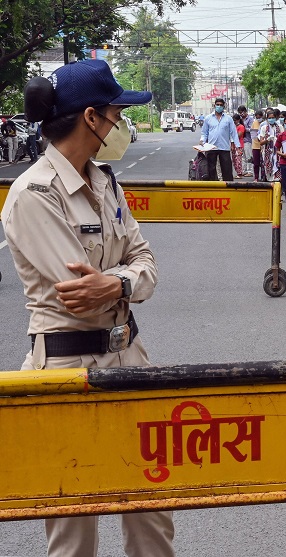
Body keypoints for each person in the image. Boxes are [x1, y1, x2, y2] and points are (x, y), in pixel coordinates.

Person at [1, 59, 174, 557]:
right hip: (67, 365)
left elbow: (145, 264)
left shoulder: (105, 180)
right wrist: (125, 281)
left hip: (129, 355)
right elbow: (77, 293)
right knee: (75, 522)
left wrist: (116, 282)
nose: (123, 124)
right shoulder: (34, 194)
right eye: (118, 113)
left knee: (151, 508)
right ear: (92, 117)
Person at [200, 97, 240, 181]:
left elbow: (233, 132)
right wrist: (202, 141)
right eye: (217, 105)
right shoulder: (208, 118)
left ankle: (229, 187)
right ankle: (212, 187)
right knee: (211, 169)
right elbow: (204, 132)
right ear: (214, 105)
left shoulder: (228, 118)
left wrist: (237, 145)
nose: (219, 106)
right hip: (211, 147)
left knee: (227, 169)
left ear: (223, 106)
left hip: (224, 147)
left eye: (221, 105)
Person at [257, 108, 284, 182]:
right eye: (269, 118)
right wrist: (267, 140)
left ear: (276, 118)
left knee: (278, 171)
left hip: (278, 152)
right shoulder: (264, 128)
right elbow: (261, 142)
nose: (271, 119)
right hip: (267, 153)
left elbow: (284, 139)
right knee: (268, 171)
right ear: (267, 119)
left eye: (273, 118)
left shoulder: (280, 127)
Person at [238, 105, 255, 176]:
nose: (241, 114)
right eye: (240, 112)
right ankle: (243, 170)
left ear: (245, 111)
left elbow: (251, 129)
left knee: (249, 156)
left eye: (242, 112)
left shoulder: (250, 119)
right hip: (241, 140)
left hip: (248, 140)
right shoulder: (240, 119)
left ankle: (250, 171)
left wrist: (243, 128)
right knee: (242, 157)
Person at [231, 113, 246, 178]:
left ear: (238, 120)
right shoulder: (234, 127)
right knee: (234, 160)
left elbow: (238, 136)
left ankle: (240, 173)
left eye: (235, 120)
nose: (234, 122)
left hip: (239, 145)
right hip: (233, 145)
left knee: (238, 160)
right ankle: (238, 172)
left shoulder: (241, 127)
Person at [251, 109, 263, 181]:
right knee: (256, 163)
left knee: (263, 163)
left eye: (259, 117)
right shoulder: (254, 123)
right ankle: (256, 177)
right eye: (257, 117)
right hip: (255, 145)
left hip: (263, 145)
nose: (258, 119)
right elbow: (252, 133)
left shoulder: (265, 123)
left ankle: (263, 176)